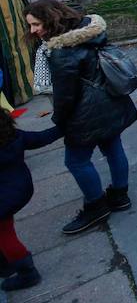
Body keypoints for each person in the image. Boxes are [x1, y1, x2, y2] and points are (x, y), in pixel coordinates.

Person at [24, 0, 137, 234]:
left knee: (76, 161)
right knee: (113, 148)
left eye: (36, 24)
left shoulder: (62, 51)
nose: (33, 30)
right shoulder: (89, 32)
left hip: (85, 115)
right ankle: (120, 195)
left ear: (51, 19)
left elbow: (66, 97)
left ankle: (96, 206)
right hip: (110, 103)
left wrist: (59, 122)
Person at [0, 110, 61, 291]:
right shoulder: (14, 136)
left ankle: (27, 273)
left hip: (5, 196)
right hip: (21, 188)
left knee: (5, 235)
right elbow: (42, 137)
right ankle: (5, 261)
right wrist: (64, 127)